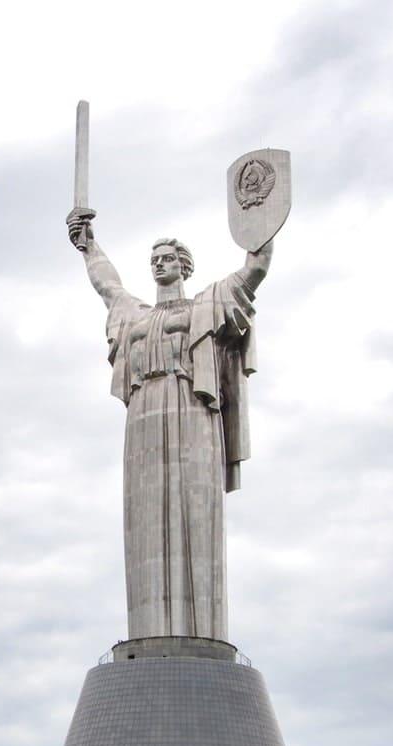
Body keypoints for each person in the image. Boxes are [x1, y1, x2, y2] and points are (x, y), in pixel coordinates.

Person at [66, 206, 272, 642]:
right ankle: (150, 634)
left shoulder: (209, 303)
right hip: (143, 416)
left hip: (192, 409)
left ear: (184, 266)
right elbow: (107, 284)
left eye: (167, 258)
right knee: (145, 518)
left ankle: (200, 634)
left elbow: (255, 269)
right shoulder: (135, 315)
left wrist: (262, 222)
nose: (159, 263)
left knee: (195, 511)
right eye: (154, 259)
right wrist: (88, 245)